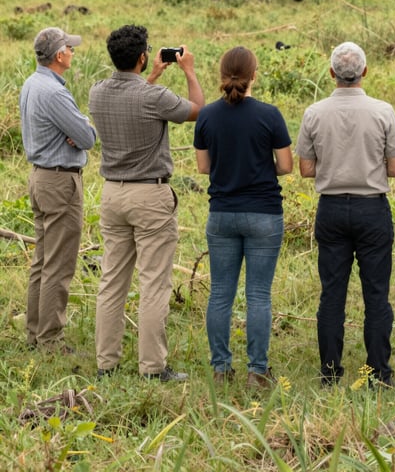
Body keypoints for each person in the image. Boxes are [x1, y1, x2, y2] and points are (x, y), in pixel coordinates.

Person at [89, 25, 204, 382]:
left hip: (112, 194)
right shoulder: (155, 97)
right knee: (154, 282)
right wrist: (188, 70)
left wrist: (151, 74)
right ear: (142, 57)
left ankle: (106, 363)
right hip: (150, 195)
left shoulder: (96, 93)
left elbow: (133, 99)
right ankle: (152, 367)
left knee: (112, 280)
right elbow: (198, 109)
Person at [296, 42, 395, 387]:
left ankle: (330, 372)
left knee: (332, 293)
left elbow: (306, 168)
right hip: (371, 206)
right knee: (376, 294)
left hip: (330, 207)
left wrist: (335, 166)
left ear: (332, 73)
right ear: (365, 72)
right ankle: (379, 373)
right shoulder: (383, 111)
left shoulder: (314, 112)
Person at [194, 46, 293, 390]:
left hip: (221, 213)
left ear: (221, 75)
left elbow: (203, 167)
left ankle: (221, 368)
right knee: (259, 295)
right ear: (255, 75)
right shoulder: (270, 115)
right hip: (264, 213)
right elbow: (286, 165)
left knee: (220, 292)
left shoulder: (207, 116)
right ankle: (258, 370)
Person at [20, 27, 97, 352]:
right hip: (59, 181)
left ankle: (35, 333)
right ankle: (51, 340)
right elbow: (88, 137)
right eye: (70, 47)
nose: (73, 51)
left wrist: (75, 131)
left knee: (42, 259)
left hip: (40, 177)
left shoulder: (31, 83)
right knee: (59, 263)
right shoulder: (54, 92)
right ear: (59, 55)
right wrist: (82, 129)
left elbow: (76, 133)